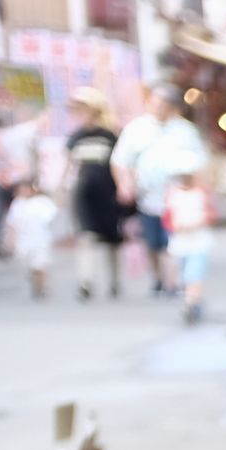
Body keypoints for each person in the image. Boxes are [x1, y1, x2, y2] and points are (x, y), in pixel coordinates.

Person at [116, 86, 203, 298]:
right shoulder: (136, 129)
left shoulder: (185, 131)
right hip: (147, 197)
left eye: (164, 105)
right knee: (152, 242)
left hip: (176, 198)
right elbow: (120, 161)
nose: (160, 109)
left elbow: (199, 162)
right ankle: (158, 278)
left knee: (173, 243)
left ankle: (175, 281)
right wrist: (124, 184)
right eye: (156, 104)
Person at [62, 89, 126, 301]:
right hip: (84, 193)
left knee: (112, 240)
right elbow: (69, 165)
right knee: (86, 237)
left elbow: (121, 164)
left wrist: (124, 188)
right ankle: (85, 281)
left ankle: (115, 281)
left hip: (107, 192)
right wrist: (61, 188)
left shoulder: (110, 135)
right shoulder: (76, 137)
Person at [0, 108, 36, 261]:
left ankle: (0, 244)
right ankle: (18, 243)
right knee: (18, 211)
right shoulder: (12, 136)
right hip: (14, 179)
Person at [163, 168, 213, 323]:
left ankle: (191, 303)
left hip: (198, 242)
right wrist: (176, 226)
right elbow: (167, 219)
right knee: (184, 275)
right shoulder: (172, 195)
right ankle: (192, 300)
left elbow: (210, 214)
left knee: (193, 274)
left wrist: (198, 222)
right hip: (180, 242)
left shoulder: (201, 194)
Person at [5, 178, 60, 300]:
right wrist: (10, 239)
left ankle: (43, 287)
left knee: (40, 264)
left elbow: (53, 215)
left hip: (41, 240)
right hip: (24, 241)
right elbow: (12, 224)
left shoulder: (42, 202)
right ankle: (36, 283)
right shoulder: (17, 204)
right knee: (29, 266)